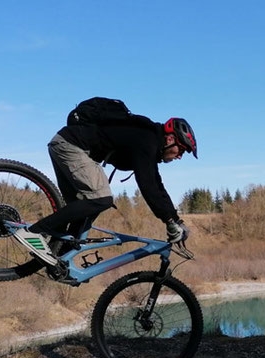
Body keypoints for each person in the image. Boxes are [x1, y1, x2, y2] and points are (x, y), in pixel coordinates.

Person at [12, 105, 197, 266]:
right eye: (181, 150)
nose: (180, 156)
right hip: (72, 146)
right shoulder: (146, 140)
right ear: (171, 139)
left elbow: (157, 184)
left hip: (66, 144)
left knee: (85, 208)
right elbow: (148, 186)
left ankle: (60, 259)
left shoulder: (149, 142)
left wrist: (175, 218)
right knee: (101, 199)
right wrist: (169, 221)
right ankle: (34, 232)